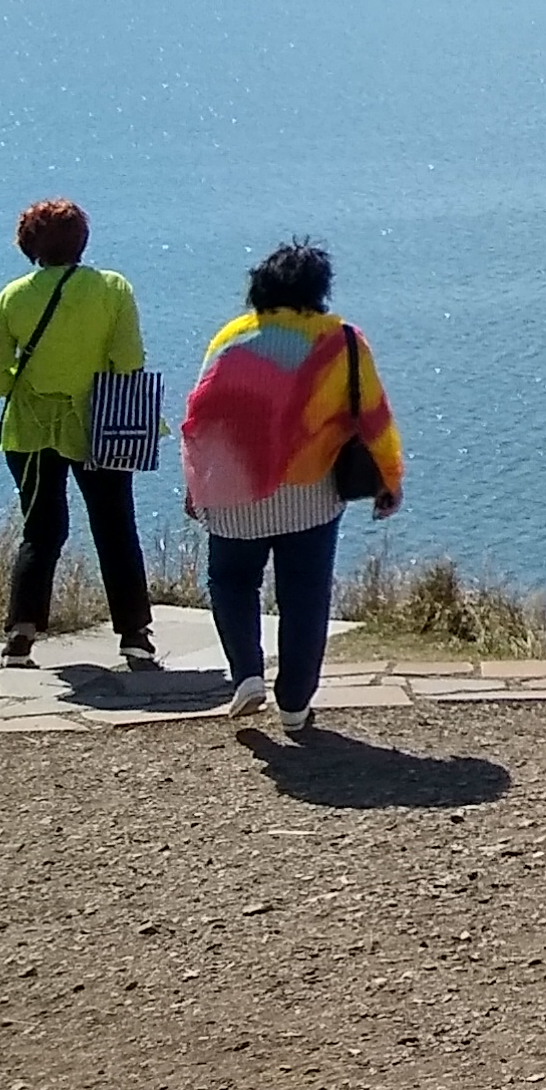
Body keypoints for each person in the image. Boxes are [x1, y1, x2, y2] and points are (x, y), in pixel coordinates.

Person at [178, 243, 403, 735]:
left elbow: (200, 421)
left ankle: (247, 675)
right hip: (312, 496)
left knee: (232, 583)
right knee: (305, 594)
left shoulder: (229, 340)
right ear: (318, 290)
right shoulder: (343, 342)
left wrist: (196, 488)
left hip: (235, 496)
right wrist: (389, 477)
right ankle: (295, 704)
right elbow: (374, 418)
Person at [0, 198, 157, 671]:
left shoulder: (11, 297)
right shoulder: (113, 289)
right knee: (115, 527)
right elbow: (129, 362)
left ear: (29, 245)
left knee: (41, 530)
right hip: (100, 428)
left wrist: (26, 374)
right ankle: (134, 635)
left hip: (30, 432)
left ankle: (21, 633)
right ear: (82, 241)